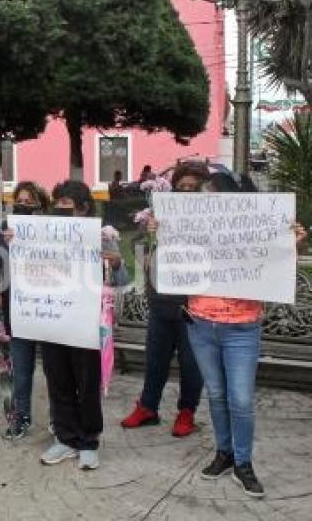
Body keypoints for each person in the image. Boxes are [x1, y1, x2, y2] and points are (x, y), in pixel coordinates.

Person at [155, 172, 306, 499]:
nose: (208, 202)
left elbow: (274, 262)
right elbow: (172, 261)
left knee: (241, 399)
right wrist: (161, 233)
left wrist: (290, 243)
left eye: (213, 195)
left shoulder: (251, 227)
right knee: (217, 394)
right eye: (204, 196)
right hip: (201, 324)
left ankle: (243, 462)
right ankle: (224, 454)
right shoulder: (195, 228)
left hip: (242, 327)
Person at [39, 180, 128, 470]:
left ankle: (89, 441)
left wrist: (116, 264)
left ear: (84, 208)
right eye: (58, 205)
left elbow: (124, 280)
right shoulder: (45, 235)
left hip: (86, 323)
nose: (61, 211)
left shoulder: (102, 237)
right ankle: (65, 438)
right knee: (58, 381)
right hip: (53, 318)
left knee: (87, 384)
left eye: (68, 206)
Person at [121, 163, 209, 437]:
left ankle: (186, 412)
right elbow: (141, 256)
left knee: (191, 363)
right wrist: (150, 237)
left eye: (193, 188)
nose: (187, 192)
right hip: (161, 301)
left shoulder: (212, 224)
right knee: (155, 359)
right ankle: (148, 407)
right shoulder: (157, 219)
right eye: (182, 187)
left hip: (193, 305)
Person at [0, 181, 51, 439]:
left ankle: (59, 419)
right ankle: (21, 417)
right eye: (19, 200)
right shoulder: (3, 229)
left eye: (30, 200)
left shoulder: (52, 230)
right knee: (21, 372)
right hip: (17, 312)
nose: (23, 205)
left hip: (49, 313)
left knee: (56, 373)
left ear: (41, 204)